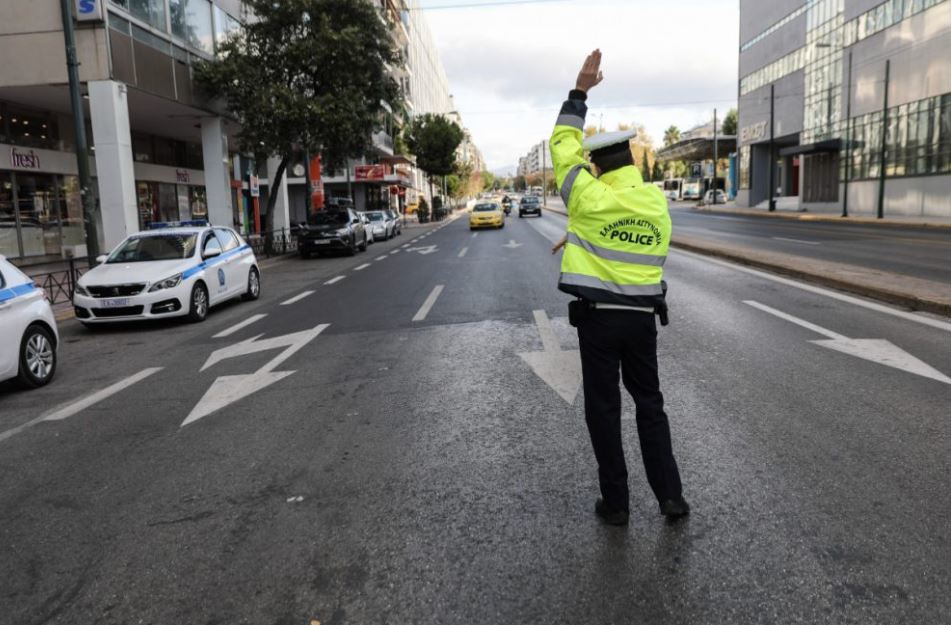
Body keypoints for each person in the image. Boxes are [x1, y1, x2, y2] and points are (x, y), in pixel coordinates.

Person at [551, 50, 689, 526]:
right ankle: (671, 496)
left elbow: (562, 146)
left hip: (599, 323)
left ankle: (617, 504)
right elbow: (628, 236)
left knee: (604, 410)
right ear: (631, 161)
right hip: (642, 322)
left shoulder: (587, 198)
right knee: (650, 406)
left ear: (596, 167)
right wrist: (578, 232)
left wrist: (579, 92)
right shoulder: (655, 203)